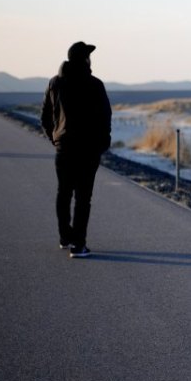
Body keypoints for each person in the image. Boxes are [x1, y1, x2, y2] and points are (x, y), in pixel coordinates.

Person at [40, 41, 112, 258]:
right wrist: (102, 143)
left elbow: (45, 116)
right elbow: (105, 117)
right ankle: (78, 245)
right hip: (88, 150)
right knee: (83, 197)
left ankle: (65, 237)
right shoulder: (95, 84)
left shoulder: (55, 83)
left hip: (64, 148)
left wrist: (55, 139)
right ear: (84, 59)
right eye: (88, 56)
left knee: (64, 193)